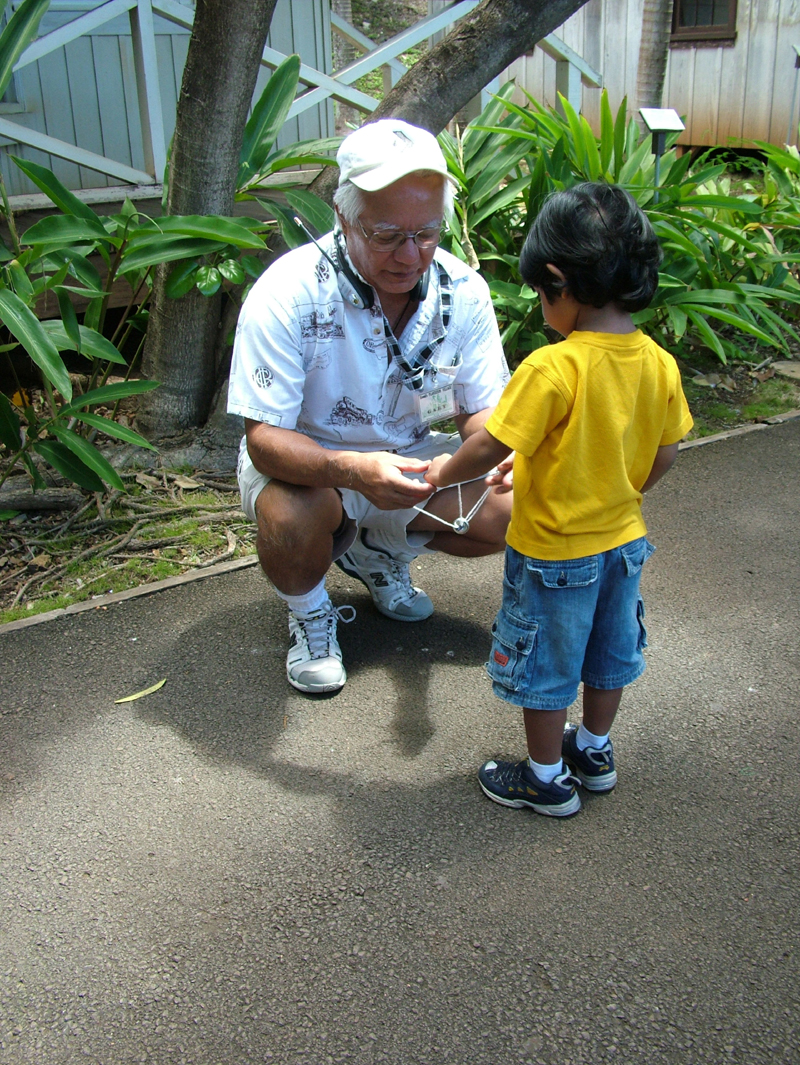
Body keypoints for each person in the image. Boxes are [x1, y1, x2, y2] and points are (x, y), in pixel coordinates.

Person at [425, 182, 694, 817]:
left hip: (552, 554)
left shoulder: (553, 367)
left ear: (558, 282)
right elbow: (664, 451)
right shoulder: (658, 362)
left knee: (545, 663)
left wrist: (442, 474)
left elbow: (489, 444)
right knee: (608, 654)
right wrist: (620, 492)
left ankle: (545, 779)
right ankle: (594, 751)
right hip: (623, 545)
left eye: (539, 291)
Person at [227, 119, 512, 694]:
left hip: (415, 460)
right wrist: (353, 470)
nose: (410, 255)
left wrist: (506, 450)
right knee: (290, 518)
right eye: (386, 235)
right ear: (343, 217)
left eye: (427, 233)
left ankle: (375, 550)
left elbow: (480, 411)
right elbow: (264, 440)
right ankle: (309, 610)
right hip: (313, 466)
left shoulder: (464, 291)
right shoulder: (287, 292)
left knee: (523, 504)